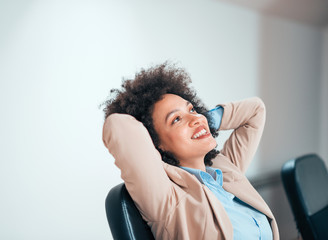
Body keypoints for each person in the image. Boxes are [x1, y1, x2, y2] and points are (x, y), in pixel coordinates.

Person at [102, 63, 279, 239]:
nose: (194, 118)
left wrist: (205, 120)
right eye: (176, 119)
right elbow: (117, 126)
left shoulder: (227, 170)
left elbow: (255, 110)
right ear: (156, 143)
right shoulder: (167, 200)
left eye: (192, 109)